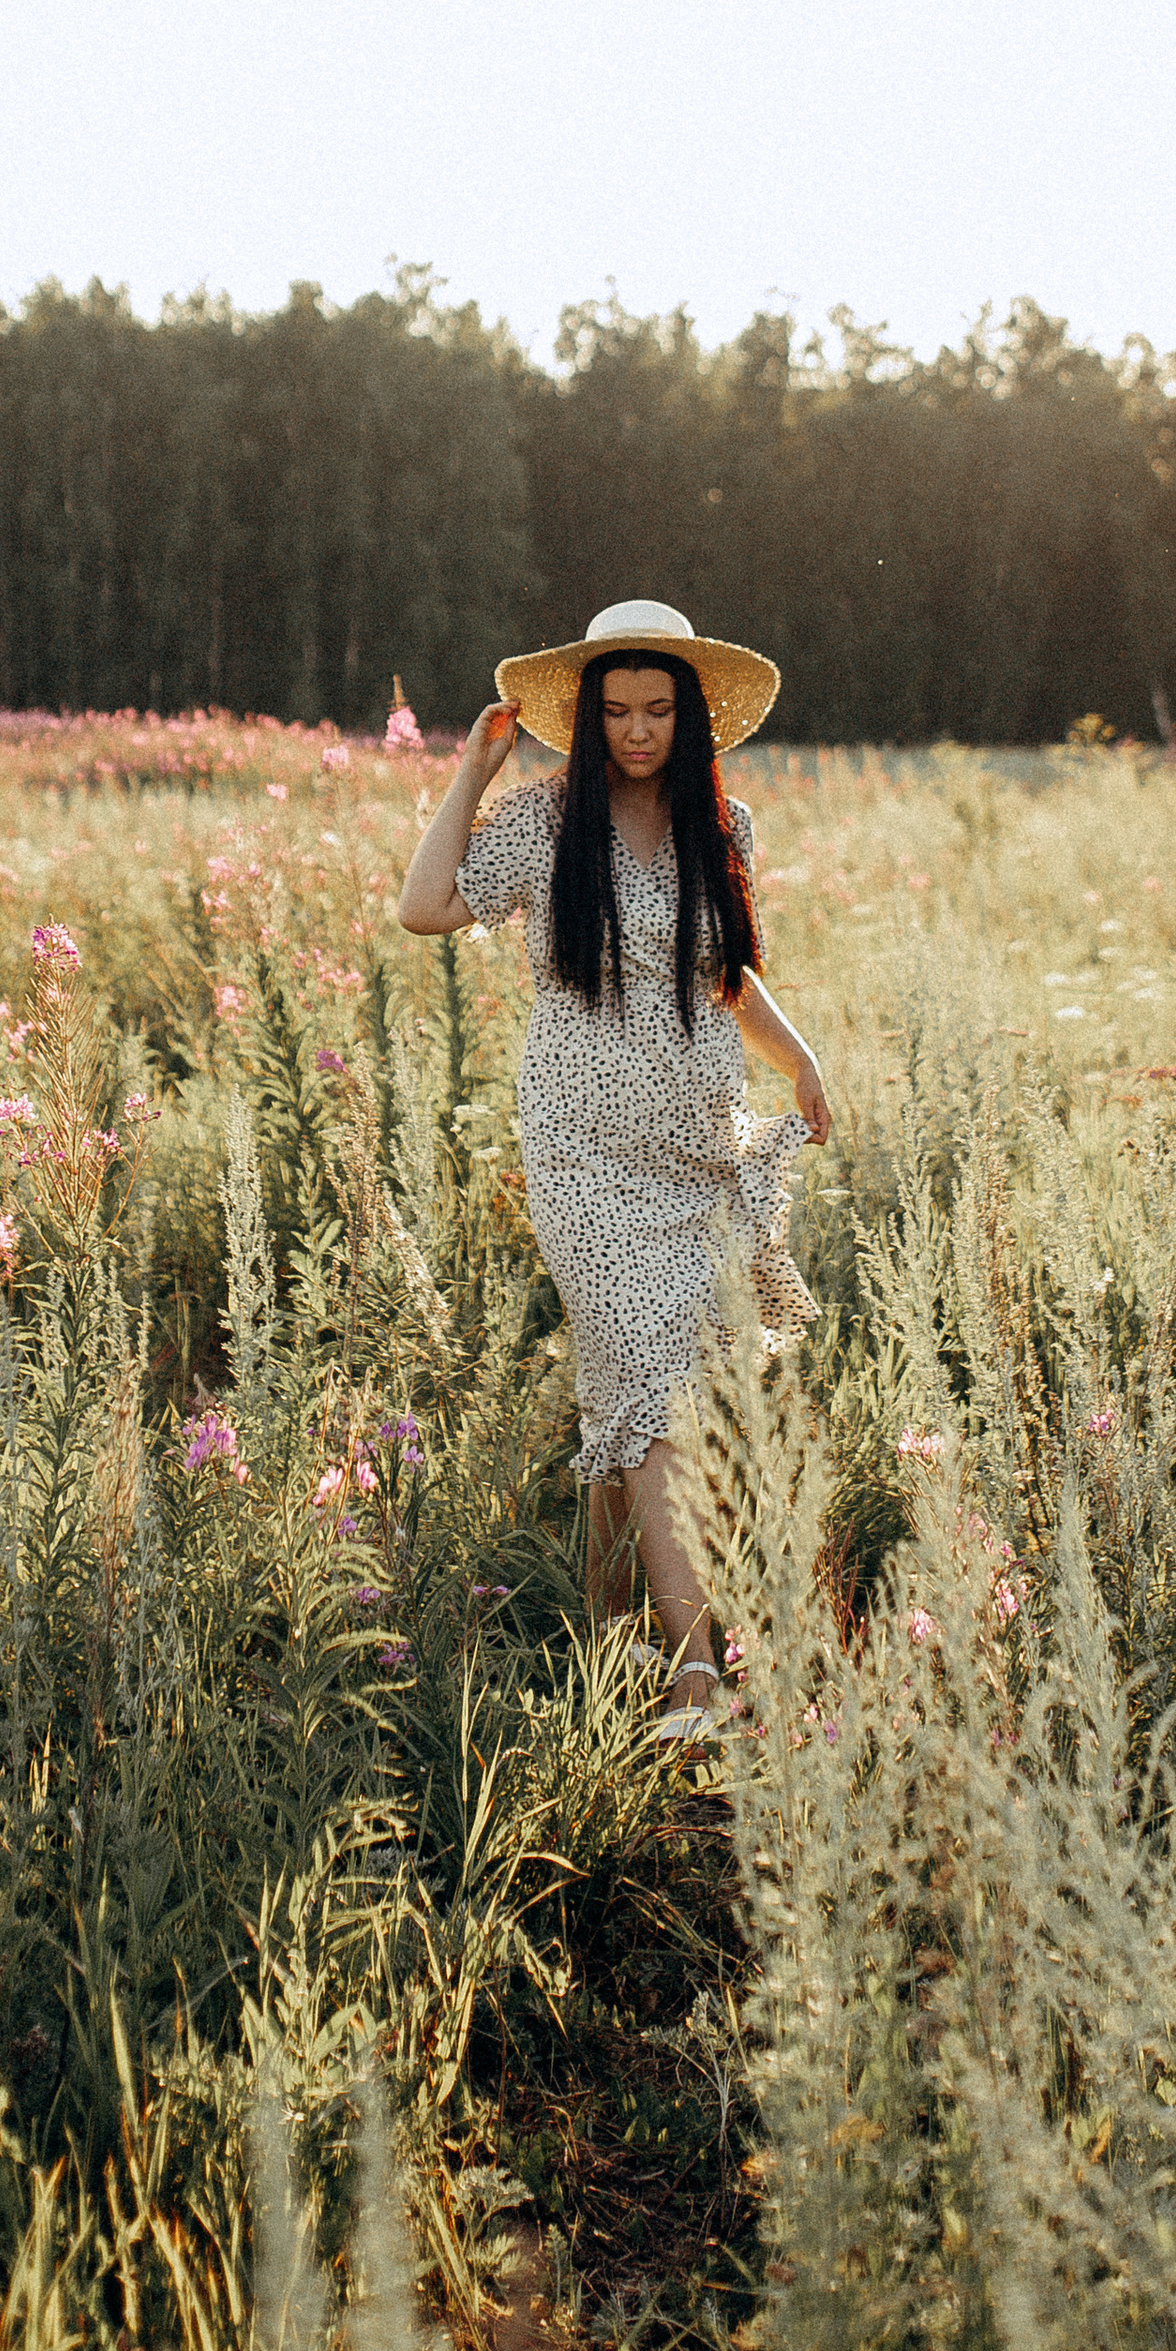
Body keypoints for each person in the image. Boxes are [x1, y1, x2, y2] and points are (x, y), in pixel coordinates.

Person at [397, 596, 829, 1738]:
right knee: (660, 1394)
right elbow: (423, 907)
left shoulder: (719, 827)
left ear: (690, 720)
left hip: (696, 1156)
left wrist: (800, 1062)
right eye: (617, 712)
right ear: (584, 721)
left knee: (632, 1392)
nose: (637, 731)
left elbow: (725, 976)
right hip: (584, 1159)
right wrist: (471, 776)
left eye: (656, 711)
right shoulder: (543, 824)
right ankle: (696, 1676)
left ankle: (601, 1626)